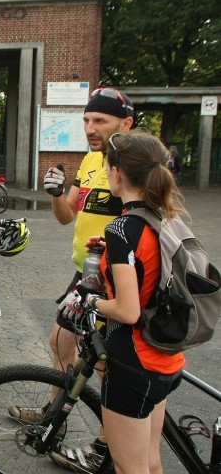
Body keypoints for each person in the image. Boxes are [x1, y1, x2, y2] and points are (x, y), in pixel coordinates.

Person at [15, 87, 134, 470]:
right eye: (86, 120)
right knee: (60, 341)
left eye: (99, 120)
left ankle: (106, 445)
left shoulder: (134, 163)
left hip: (118, 277)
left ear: (126, 123)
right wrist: (54, 193)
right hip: (85, 273)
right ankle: (55, 416)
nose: (90, 127)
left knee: (107, 364)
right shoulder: (91, 161)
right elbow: (68, 215)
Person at [57, 132, 185, 473]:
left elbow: (127, 310)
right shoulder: (163, 219)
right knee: (150, 460)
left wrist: (93, 303)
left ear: (116, 173)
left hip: (133, 361)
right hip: (166, 356)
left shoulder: (122, 229)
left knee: (129, 467)